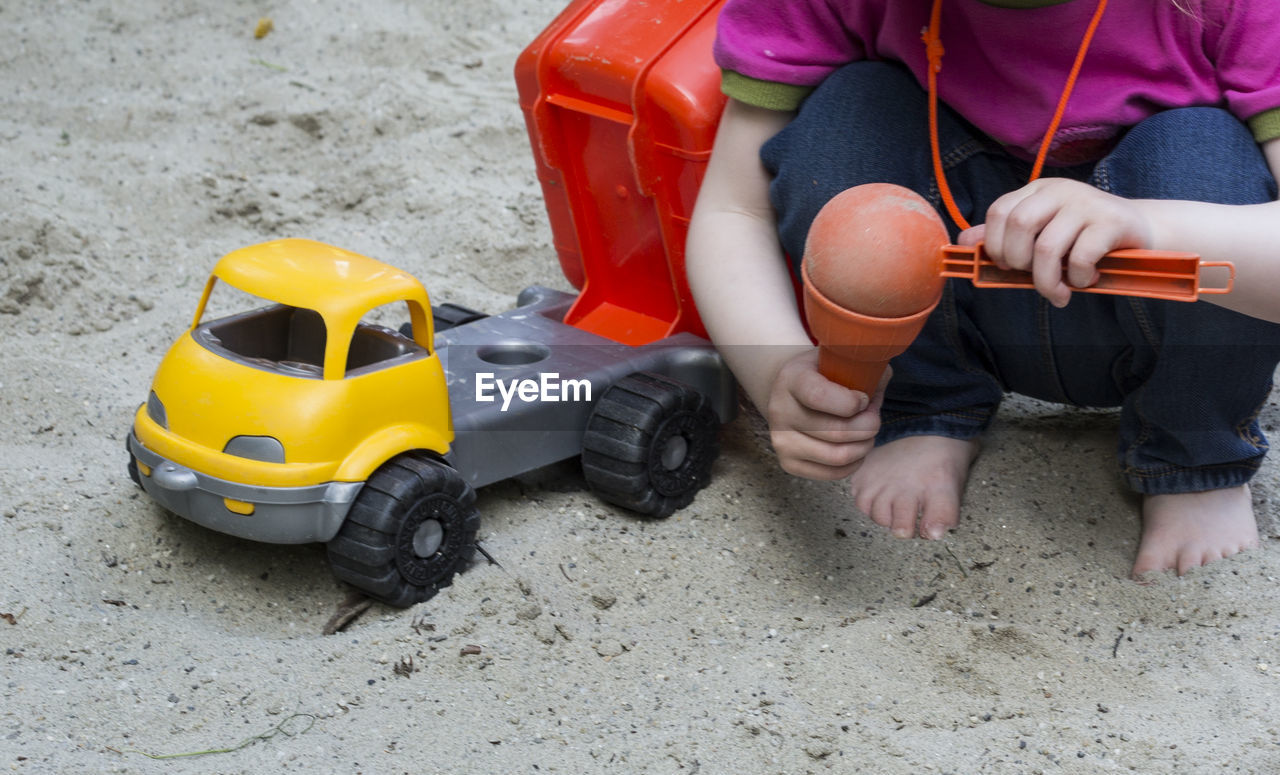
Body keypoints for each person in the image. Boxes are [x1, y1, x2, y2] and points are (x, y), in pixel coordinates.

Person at [685, 0, 1280, 579]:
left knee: (1199, 148)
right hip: (948, 284)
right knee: (850, 112)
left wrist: (1155, 225)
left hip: (1158, 302)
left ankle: (1196, 450)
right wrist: (778, 370)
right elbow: (735, 211)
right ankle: (926, 404)